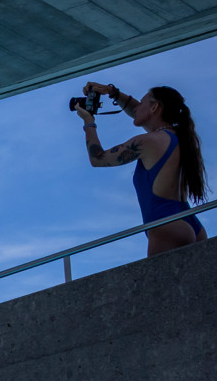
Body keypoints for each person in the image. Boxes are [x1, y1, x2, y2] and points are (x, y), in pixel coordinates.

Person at [76, 82, 208, 254]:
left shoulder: (149, 141)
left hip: (166, 225)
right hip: (190, 224)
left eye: (142, 103)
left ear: (154, 107)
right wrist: (112, 92)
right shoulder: (181, 138)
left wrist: (88, 123)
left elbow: (97, 158)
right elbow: (139, 113)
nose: (136, 108)